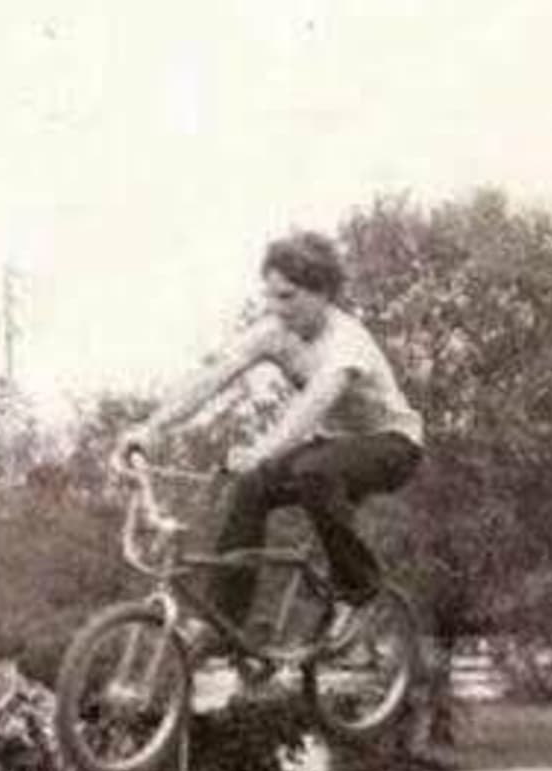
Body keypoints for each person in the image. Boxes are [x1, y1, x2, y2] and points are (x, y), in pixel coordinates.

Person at [121, 229, 423, 645]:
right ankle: (222, 624)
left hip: (393, 445)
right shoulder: (274, 330)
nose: (276, 308)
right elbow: (212, 378)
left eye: (288, 297)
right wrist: (150, 428)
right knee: (250, 488)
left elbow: (311, 407)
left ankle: (359, 590)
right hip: (334, 446)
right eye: (270, 296)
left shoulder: (346, 343)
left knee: (313, 473)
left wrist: (263, 450)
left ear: (323, 294)